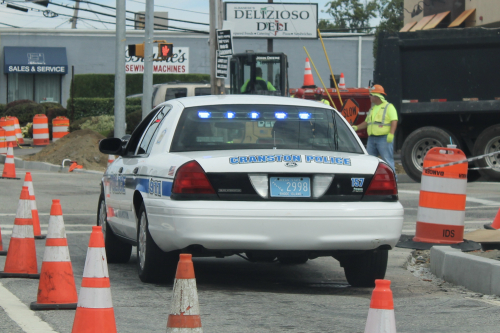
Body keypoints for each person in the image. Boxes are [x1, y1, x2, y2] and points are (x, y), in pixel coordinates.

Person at [352, 84, 398, 174]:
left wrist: (391, 134)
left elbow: (394, 120)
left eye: (371, 95)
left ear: (377, 96)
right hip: (372, 139)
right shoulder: (373, 108)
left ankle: (394, 182)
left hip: (384, 138)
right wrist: (356, 127)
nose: (369, 96)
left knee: (387, 161)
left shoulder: (389, 107)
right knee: (370, 162)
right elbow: (367, 122)